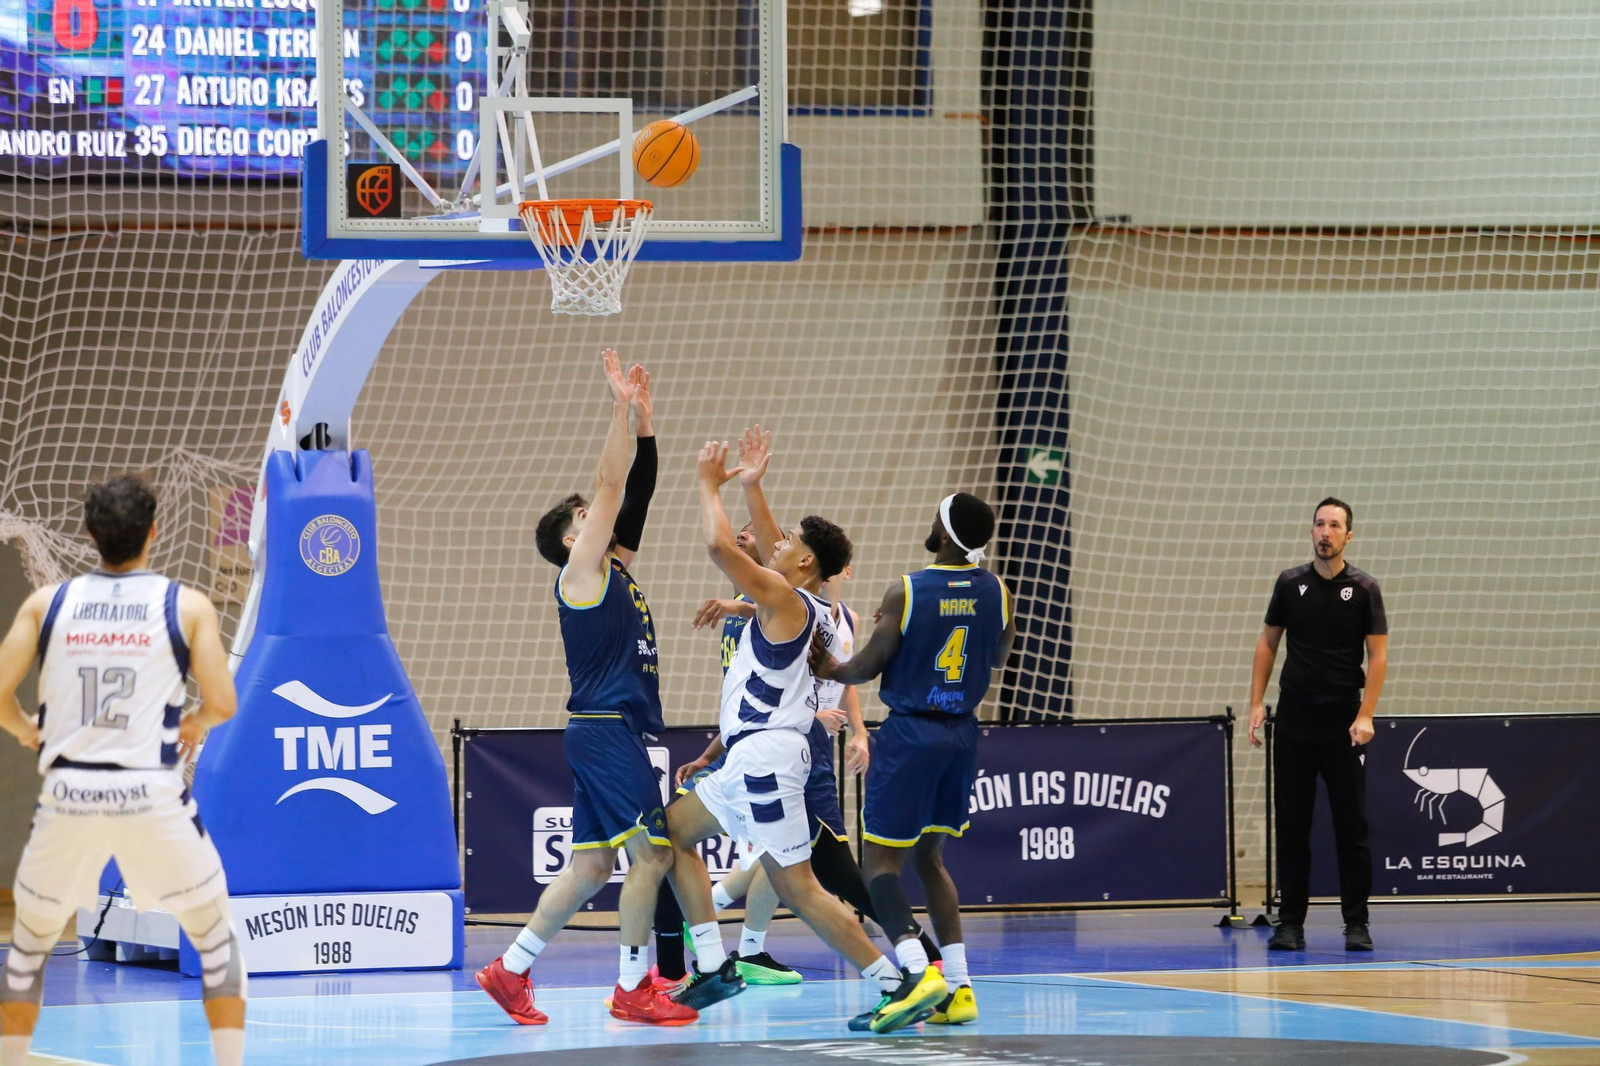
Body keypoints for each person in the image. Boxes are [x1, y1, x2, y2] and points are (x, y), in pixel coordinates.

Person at [662, 438, 947, 1033]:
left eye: (788, 544)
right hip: (761, 754)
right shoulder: (806, 601)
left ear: (805, 565)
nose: (776, 544)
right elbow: (776, 550)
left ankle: (889, 980)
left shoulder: (785, 599)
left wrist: (709, 485)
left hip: (765, 756)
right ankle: (891, 982)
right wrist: (753, 486)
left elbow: (720, 545)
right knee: (674, 840)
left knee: (798, 885)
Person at [476, 351, 697, 1027]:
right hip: (605, 729)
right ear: (574, 535)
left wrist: (648, 426)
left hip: (606, 730)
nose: (599, 515)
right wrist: (617, 410)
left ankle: (509, 971)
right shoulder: (580, 573)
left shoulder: (615, 568)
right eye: (587, 514)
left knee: (593, 867)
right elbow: (610, 486)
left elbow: (636, 496)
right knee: (653, 854)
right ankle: (635, 987)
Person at [0, 475, 246, 1066]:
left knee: (29, 946)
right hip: (149, 795)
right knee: (215, 940)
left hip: (71, 792)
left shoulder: (47, 603)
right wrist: (191, 723)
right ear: (154, 532)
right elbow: (224, 702)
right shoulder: (184, 605)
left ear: (88, 535)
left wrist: (24, 729)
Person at [814, 492, 1015, 1027]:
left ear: (946, 534)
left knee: (880, 865)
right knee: (931, 861)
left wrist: (830, 666)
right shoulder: (997, 589)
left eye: (936, 518)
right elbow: (997, 655)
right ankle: (961, 988)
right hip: (961, 735)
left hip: (911, 734)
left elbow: (866, 668)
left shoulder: (906, 589)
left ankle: (914, 970)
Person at [1248, 497, 1387, 953]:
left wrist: (1365, 714)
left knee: (1352, 827)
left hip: (1343, 722)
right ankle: (1290, 924)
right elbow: (1268, 644)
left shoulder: (1365, 588)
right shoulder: (1290, 584)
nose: (1325, 532)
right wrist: (1256, 704)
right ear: (1311, 532)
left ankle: (1357, 924)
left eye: (1334, 526)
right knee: (1292, 825)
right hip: (1293, 721)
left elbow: (1378, 654)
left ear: (1349, 536)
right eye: (1318, 524)